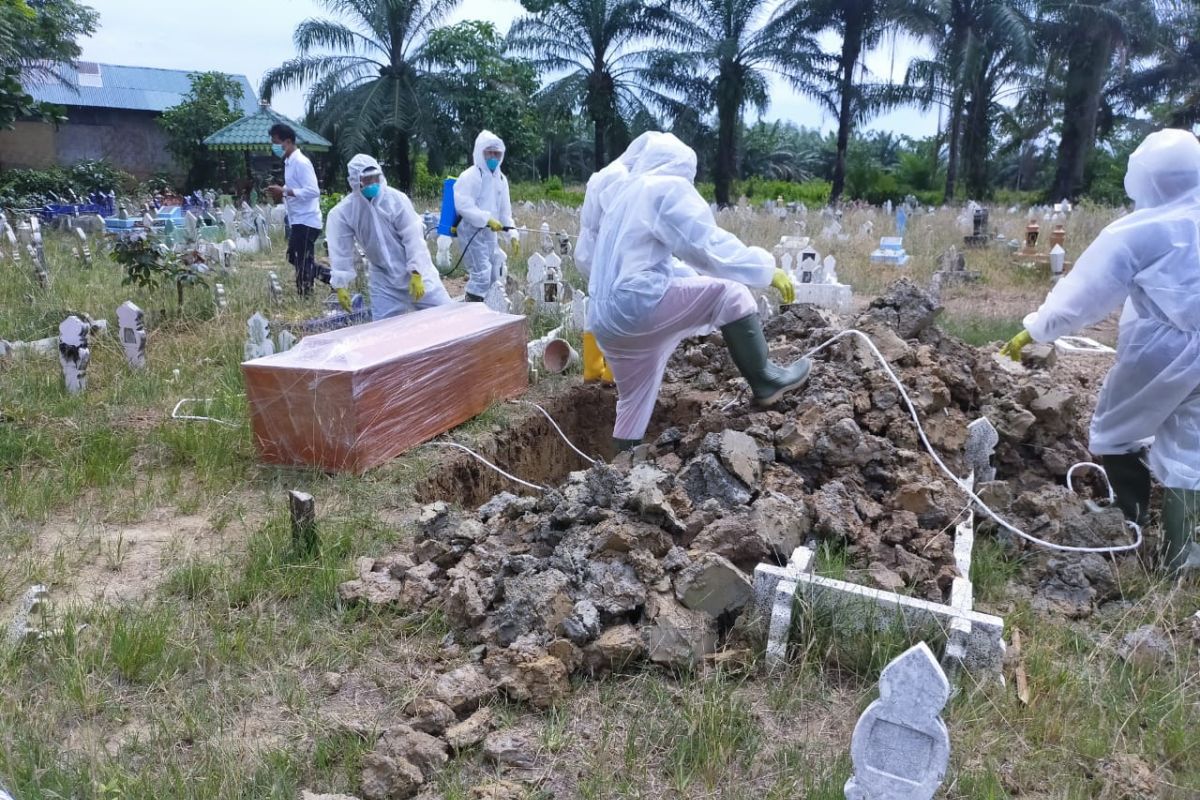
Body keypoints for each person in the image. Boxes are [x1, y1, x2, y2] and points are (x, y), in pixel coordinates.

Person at [1001, 128, 1200, 573]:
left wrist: (1038, 329)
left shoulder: (1142, 229)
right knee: (1192, 449)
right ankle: (1180, 556)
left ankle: (1127, 527)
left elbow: (1085, 293)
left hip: (1162, 349)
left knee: (1117, 431)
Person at [587, 133, 807, 451]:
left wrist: (693, 283)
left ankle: (621, 477)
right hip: (637, 307)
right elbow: (704, 245)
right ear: (681, 166)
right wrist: (763, 269)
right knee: (731, 295)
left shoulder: (623, 196)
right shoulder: (664, 186)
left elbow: (655, 264)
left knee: (633, 405)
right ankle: (767, 380)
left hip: (606, 322)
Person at [325, 154, 453, 319]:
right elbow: (340, 247)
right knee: (384, 331)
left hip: (417, 274)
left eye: (375, 178)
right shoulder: (345, 212)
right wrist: (340, 284)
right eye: (366, 180)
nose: (372, 183)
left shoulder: (396, 200)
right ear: (355, 181)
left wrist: (416, 271)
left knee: (448, 317)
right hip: (383, 279)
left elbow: (413, 237)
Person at [453, 130, 514, 302]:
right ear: (481, 152)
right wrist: (486, 219)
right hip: (471, 232)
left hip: (489, 234)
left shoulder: (501, 179)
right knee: (482, 274)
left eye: (497, 153)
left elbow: (505, 213)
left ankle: (489, 310)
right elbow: (464, 205)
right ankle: (473, 311)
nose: (493, 157)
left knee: (495, 273)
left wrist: (512, 235)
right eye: (489, 152)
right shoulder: (471, 176)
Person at [265, 123, 324, 296]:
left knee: (302, 260)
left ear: (288, 141)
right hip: (297, 219)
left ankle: (307, 293)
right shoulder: (289, 163)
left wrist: (285, 191)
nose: (274, 146)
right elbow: (292, 188)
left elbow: (313, 191)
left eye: (276, 142)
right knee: (294, 257)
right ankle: (329, 278)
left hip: (307, 219)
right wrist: (280, 192)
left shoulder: (301, 162)